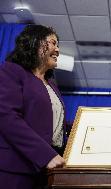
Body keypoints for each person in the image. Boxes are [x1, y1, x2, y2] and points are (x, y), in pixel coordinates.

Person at [0, 25, 66, 189]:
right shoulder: (11, 71)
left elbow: (50, 124)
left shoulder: (52, 86)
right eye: (53, 43)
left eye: (58, 46)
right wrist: (45, 155)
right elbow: (7, 116)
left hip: (44, 172)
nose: (57, 50)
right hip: (16, 169)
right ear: (34, 43)